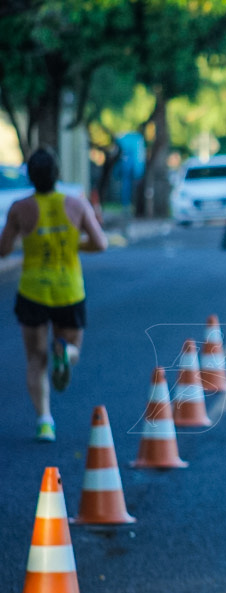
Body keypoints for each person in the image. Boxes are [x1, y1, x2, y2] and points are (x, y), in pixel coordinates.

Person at [0, 147, 108, 442]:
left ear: (30, 177)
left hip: (33, 291)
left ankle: (45, 421)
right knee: (73, 349)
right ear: (57, 175)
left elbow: (3, 249)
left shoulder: (19, 208)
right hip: (68, 290)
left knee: (36, 359)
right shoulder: (76, 204)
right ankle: (66, 351)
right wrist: (74, 245)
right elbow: (100, 244)